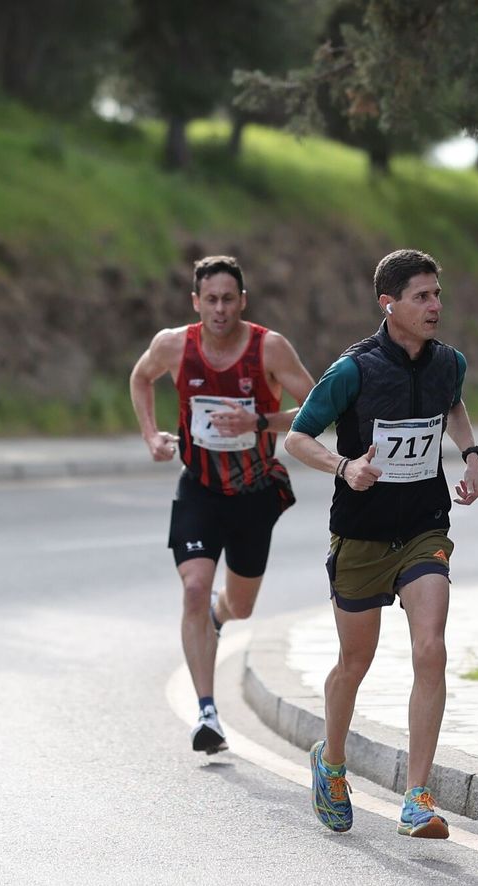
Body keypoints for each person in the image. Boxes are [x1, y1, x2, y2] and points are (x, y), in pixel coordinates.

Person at [284, 249, 478, 840]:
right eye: (422, 296)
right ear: (388, 303)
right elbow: (298, 438)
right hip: (362, 534)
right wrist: (345, 466)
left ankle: (418, 796)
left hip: (425, 526)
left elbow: (452, 404)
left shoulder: (450, 362)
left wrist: (471, 455)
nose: (435, 306)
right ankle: (333, 762)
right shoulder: (354, 370)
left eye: (437, 294)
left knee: (432, 647)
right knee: (356, 661)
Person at [129, 255, 316, 754]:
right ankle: (207, 712)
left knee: (240, 604)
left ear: (242, 301)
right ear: (195, 302)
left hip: (255, 492)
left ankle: (219, 615)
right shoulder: (173, 346)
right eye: (209, 299)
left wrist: (258, 422)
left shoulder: (268, 348)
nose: (219, 309)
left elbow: (319, 407)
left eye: (228, 299)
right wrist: (151, 435)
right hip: (200, 489)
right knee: (193, 587)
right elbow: (140, 377)